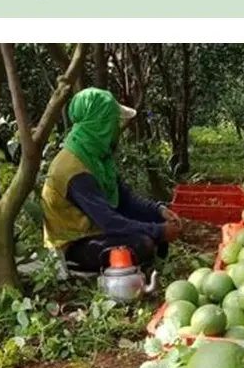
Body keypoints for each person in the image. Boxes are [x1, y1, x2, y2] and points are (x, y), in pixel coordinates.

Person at [41, 87, 182, 273]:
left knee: (154, 220)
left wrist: (159, 210)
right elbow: (109, 221)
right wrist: (159, 231)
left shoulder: (96, 157)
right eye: (113, 121)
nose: (118, 128)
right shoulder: (73, 168)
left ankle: (149, 268)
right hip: (75, 244)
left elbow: (125, 199)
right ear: (102, 124)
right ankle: (125, 271)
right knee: (142, 243)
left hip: (96, 229)